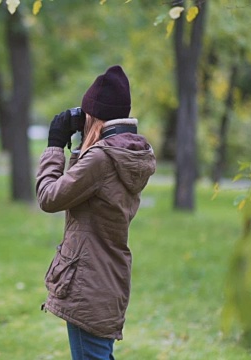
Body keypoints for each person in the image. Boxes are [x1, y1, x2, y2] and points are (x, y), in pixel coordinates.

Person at [35, 65, 156, 360]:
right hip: (108, 275)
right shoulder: (127, 155)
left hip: (87, 281)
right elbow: (87, 187)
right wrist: (82, 143)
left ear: (94, 118)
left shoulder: (101, 159)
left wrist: (54, 147)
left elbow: (49, 198)